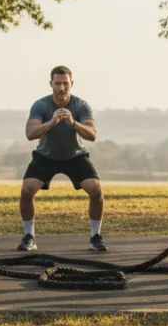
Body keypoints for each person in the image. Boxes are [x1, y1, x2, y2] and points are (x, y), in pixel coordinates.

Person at [18, 65, 105, 252]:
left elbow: (92, 135)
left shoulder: (81, 105)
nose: (61, 88)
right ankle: (29, 236)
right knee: (27, 189)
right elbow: (30, 133)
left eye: (65, 84)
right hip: (46, 156)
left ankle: (95, 237)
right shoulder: (41, 105)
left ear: (71, 84)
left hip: (75, 156)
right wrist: (52, 122)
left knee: (96, 189)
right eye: (57, 84)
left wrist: (73, 123)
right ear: (51, 84)